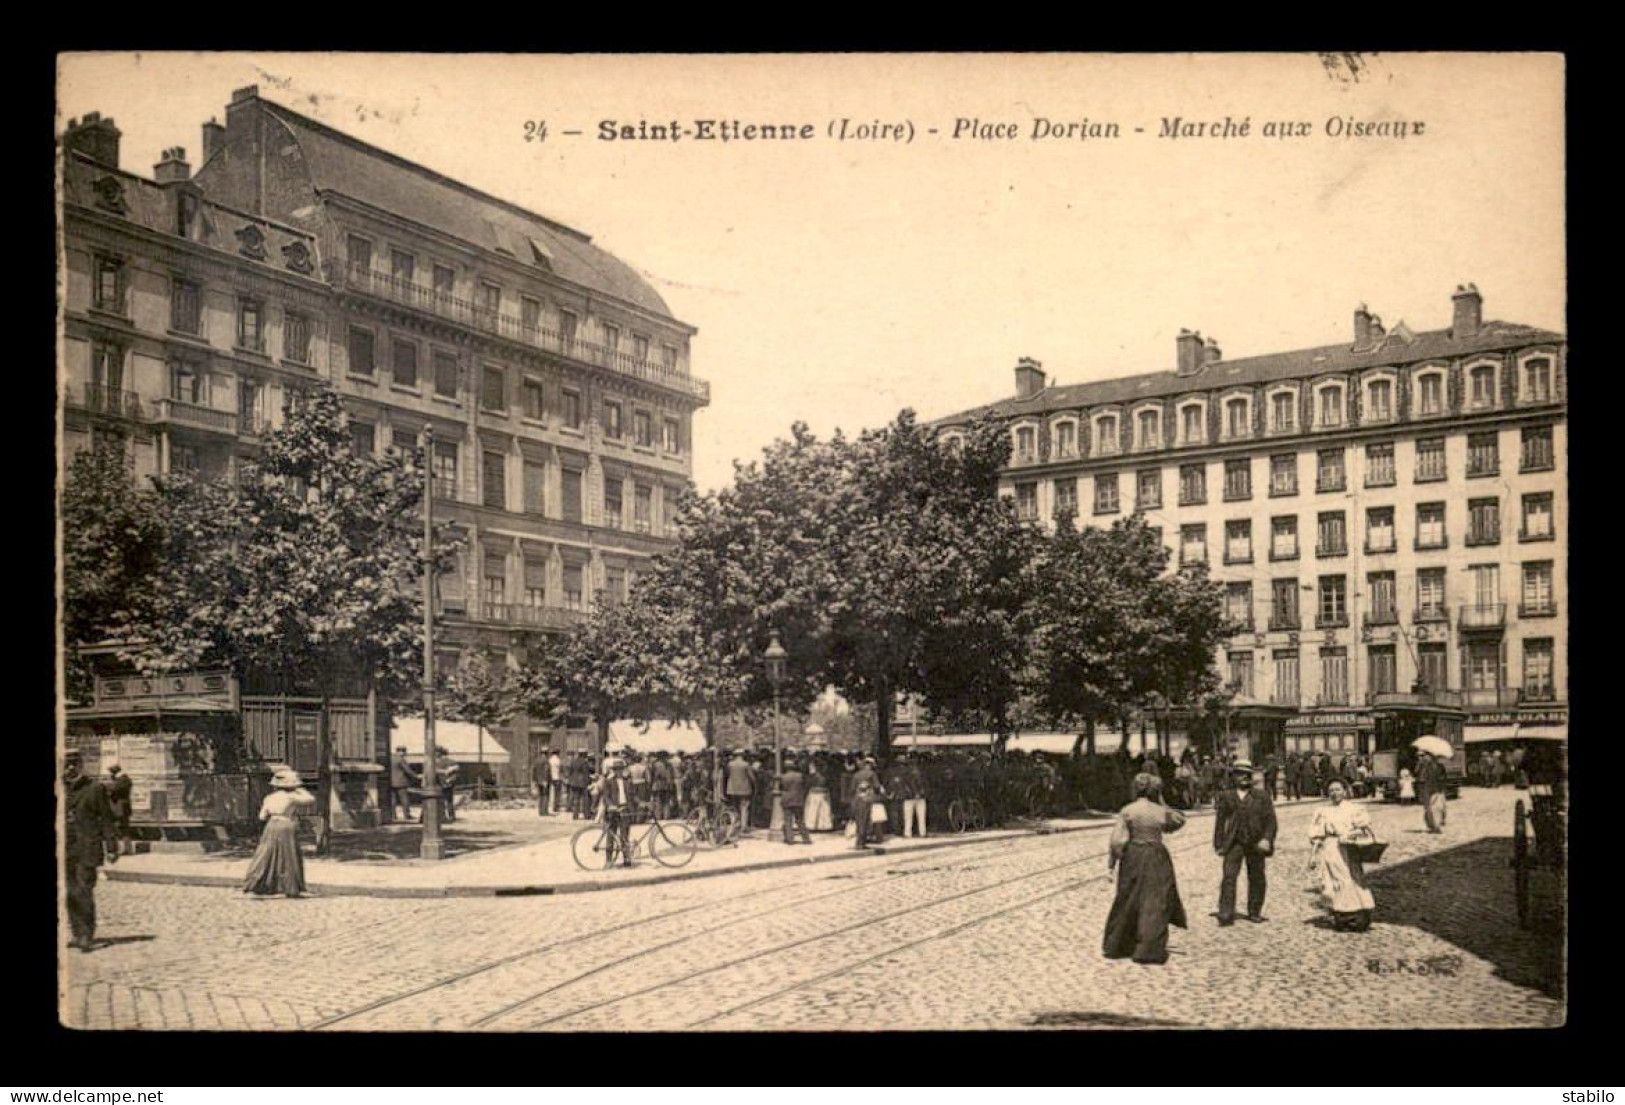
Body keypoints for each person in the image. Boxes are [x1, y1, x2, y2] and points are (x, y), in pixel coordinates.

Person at [1103, 773, 1188, 964]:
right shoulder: (1160, 811)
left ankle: (1119, 945)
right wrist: (1161, 802)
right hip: (1157, 855)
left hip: (1133, 855)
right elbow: (1179, 821)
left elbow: (1117, 841)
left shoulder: (1127, 811)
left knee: (1128, 897)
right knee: (1156, 900)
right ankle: (1149, 949)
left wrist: (1111, 864)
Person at [64, 752, 119, 951]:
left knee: (84, 891)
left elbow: (106, 818)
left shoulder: (94, 789)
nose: (70, 769)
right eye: (66, 764)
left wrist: (111, 847)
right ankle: (77, 933)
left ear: (81, 765)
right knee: (70, 892)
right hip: (65, 850)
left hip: (87, 848)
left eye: (73, 764)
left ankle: (87, 934)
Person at [1212, 762, 1277, 926]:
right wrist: (1218, 843)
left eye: (1248, 774)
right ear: (1233, 776)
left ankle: (1255, 911)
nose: (1244, 777)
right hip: (1234, 843)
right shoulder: (1227, 796)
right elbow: (1220, 822)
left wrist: (1267, 839)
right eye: (1240, 773)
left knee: (1257, 876)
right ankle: (1226, 912)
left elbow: (1271, 821)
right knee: (1229, 876)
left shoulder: (1262, 796)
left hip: (1256, 842)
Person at [1307, 780, 1377, 932]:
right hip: (1330, 848)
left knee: (1351, 878)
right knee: (1332, 880)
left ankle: (1357, 913)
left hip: (1348, 848)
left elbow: (1363, 829)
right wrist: (1313, 857)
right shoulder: (1322, 811)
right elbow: (1318, 836)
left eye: (1338, 790)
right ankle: (1339, 913)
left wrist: (1350, 834)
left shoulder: (1353, 809)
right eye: (1331, 790)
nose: (1334, 793)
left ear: (1345, 791)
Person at [243, 767, 317, 898]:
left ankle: (256, 884)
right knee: (289, 854)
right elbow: (310, 798)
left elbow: (262, 816)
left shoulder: (269, 797)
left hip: (271, 825)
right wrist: (298, 788)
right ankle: (289, 886)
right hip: (286, 824)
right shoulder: (292, 797)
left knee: (266, 853)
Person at [776, 757, 812, 845]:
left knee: (788, 820)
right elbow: (805, 785)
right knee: (800, 820)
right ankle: (806, 838)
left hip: (787, 799)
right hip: (798, 799)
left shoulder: (783, 777)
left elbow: (780, 788)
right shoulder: (800, 776)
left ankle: (790, 839)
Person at [851, 755, 884, 849]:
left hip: (857, 799)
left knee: (859, 821)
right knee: (865, 821)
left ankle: (859, 841)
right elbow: (877, 786)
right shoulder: (872, 774)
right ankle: (861, 843)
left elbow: (852, 788)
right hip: (867, 799)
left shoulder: (856, 774)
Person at [101, 762, 134, 854]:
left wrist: (104, 786)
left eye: (111, 772)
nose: (111, 775)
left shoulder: (123, 780)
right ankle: (123, 849)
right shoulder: (121, 780)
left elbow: (114, 788)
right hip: (119, 808)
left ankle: (126, 849)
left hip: (121, 808)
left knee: (122, 828)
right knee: (121, 828)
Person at [1416, 750, 1447, 834]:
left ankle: (1436, 826)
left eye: (1423, 756)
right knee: (1428, 808)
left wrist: (1439, 787)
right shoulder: (1422, 766)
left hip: (1434, 789)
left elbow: (1442, 777)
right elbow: (1419, 777)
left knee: (1435, 808)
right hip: (1426, 788)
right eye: (1419, 756)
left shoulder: (1436, 766)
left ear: (1429, 756)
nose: (1421, 758)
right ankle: (1431, 825)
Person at [726, 750, 755, 834]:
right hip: (744, 788)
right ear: (743, 755)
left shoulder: (730, 764)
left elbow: (728, 774)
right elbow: (751, 777)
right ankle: (743, 826)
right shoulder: (746, 764)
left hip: (732, 788)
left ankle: (735, 824)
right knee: (744, 807)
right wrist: (754, 784)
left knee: (735, 807)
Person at [805, 756, 834, 831]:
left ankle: (812, 825)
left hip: (814, 794)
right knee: (823, 811)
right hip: (824, 794)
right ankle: (823, 826)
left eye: (811, 767)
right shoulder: (825, 776)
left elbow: (808, 784)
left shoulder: (813, 777)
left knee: (813, 811)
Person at [390, 745, 418, 823]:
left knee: (393, 800)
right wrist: (416, 776)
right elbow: (408, 770)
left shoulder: (391, 758)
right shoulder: (401, 760)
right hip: (401, 782)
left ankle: (393, 815)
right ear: (402, 751)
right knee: (404, 799)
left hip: (391, 782)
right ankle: (407, 815)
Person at [549, 748, 564, 813]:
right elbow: (560, 769)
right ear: (557, 753)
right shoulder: (557, 760)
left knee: (552, 792)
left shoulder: (550, 760)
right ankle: (556, 807)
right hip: (557, 778)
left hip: (551, 777)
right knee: (557, 793)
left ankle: (552, 806)